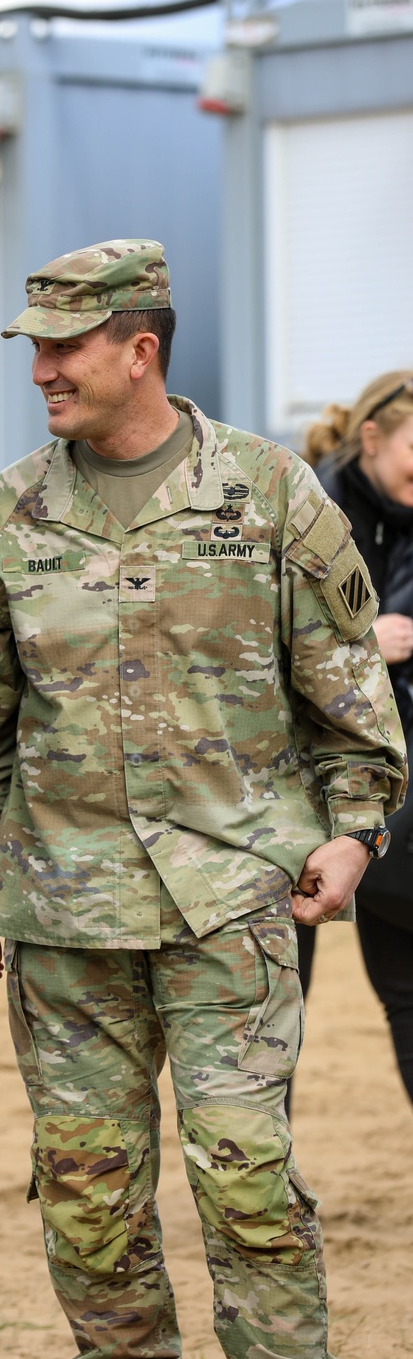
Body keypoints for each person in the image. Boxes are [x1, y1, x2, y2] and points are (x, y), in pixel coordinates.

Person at [0, 240, 405, 1359]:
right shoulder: (12, 508)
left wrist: (354, 832)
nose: (40, 369)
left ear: (139, 349)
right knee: (87, 1188)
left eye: (63, 347)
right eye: (34, 347)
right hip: (60, 909)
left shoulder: (268, 493)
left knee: (246, 1174)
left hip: (231, 899)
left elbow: (348, 692)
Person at [292, 372, 413, 1107]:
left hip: (393, 794)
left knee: (405, 987)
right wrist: (367, 644)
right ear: (371, 439)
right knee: (275, 1000)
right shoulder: (304, 514)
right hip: (292, 785)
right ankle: (255, 1175)